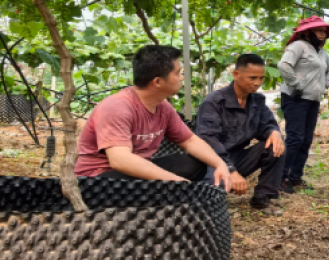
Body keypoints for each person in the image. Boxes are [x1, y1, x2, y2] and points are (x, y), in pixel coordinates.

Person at [74, 45, 231, 191]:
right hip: (98, 179)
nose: (182, 78)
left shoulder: (163, 107)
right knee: (158, 181)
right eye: (177, 73)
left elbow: (190, 141)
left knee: (193, 164)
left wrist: (220, 164)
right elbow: (120, 160)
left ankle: (160, 197)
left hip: (135, 174)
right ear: (157, 82)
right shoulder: (117, 106)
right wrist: (174, 180)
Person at [195, 54, 285, 213]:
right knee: (208, 201)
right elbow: (208, 140)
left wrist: (274, 131)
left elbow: (266, 124)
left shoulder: (257, 100)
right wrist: (230, 170)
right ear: (236, 75)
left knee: (276, 145)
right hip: (211, 161)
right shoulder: (214, 102)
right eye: (252, 78)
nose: (257, 83)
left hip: (238, 158)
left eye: (261, 78)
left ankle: (262, 198)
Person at [278, 15, 329, 194]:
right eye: (319, 30)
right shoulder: (298, 46)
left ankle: (295, 176)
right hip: (295, 98)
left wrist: (324, 84)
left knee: (306, 139)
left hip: (312, 100)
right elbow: (284, 65)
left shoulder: (321, 52)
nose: (322, 34)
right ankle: (282, 178)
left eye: (324, 31)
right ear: (307, 32)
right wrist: (297, 85)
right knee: (295, 138)